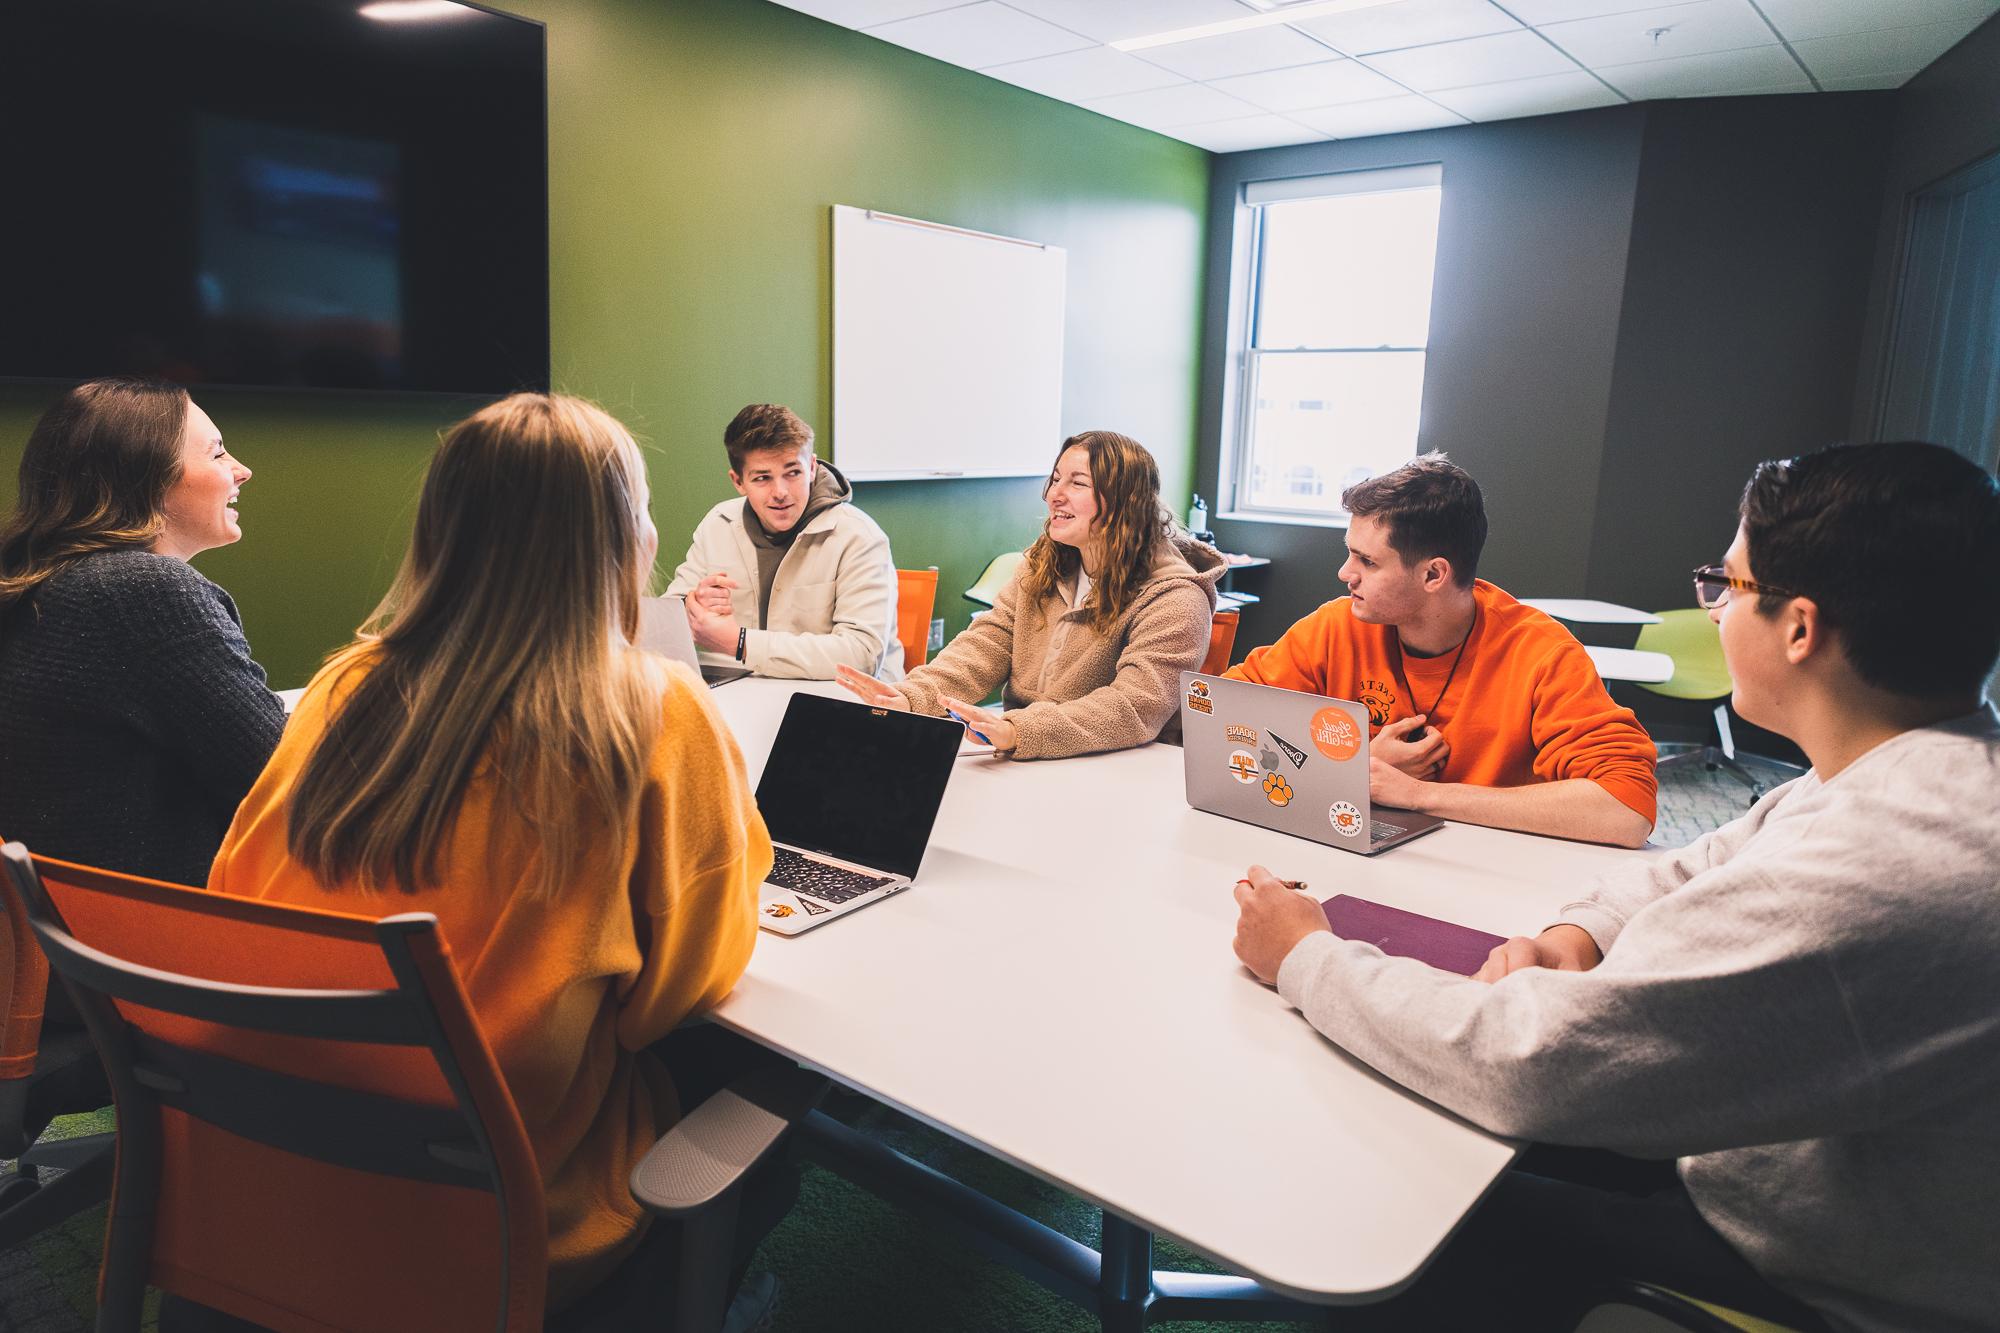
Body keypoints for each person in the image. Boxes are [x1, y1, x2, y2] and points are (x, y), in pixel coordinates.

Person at [1229, 441, 2000, 1332]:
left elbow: (1522, 1062)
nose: (1709, 611)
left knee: (1391, 1217)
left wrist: (1304, 953)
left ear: (1800, 628)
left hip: (1806, 1261)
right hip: (1792, 1163)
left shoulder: (1874, 867)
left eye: (1726, 584)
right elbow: (1697, 861)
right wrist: (1577, 937)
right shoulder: (1899, 774)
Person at [210, 394, 777, 1317]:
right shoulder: (658, 709)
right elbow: (679, 994)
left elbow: (233, 893)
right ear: (615, 538)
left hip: (279, 1171)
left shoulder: (338, 685)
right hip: (503, 1220)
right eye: (640, 505)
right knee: (766, 1088)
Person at [1226, 453, 1656, 847]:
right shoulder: (1337, 626)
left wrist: (1420, 795)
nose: (1345, 573)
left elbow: (1627, 809)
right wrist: (1353, 765)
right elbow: (1220, 716)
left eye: (1368, 562)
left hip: (1490, 871)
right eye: (1349, 554)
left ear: (1434, 574)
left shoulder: (1542, 655)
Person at [0, 377, 283, 889]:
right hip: (164, 946)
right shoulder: (143, 591)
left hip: (68, 944)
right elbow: (280, 783)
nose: (242, 470)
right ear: (147, 477)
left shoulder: (40, 579)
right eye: (218, 455)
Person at [838, 430, 1225, 759]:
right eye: (1056, 479)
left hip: (1115, 773)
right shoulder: (1043, 566)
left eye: (1077, 483)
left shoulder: (1176, 598)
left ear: (1126, 503)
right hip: (1026, 756)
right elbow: (986, 645)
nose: (1054, 495)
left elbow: (1133, 709)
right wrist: (911, 698)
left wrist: (1018, 730)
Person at [665, 403, 902, 679]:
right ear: (738, 481)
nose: (781, 492)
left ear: (811, 467)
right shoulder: (718, 524)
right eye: (763, 478)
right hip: (745, 696)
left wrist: (739, 643)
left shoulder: (859, 536)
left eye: (793, 473)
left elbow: (861, 656)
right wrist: (692, 604)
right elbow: (667, 618)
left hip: (838, 704)